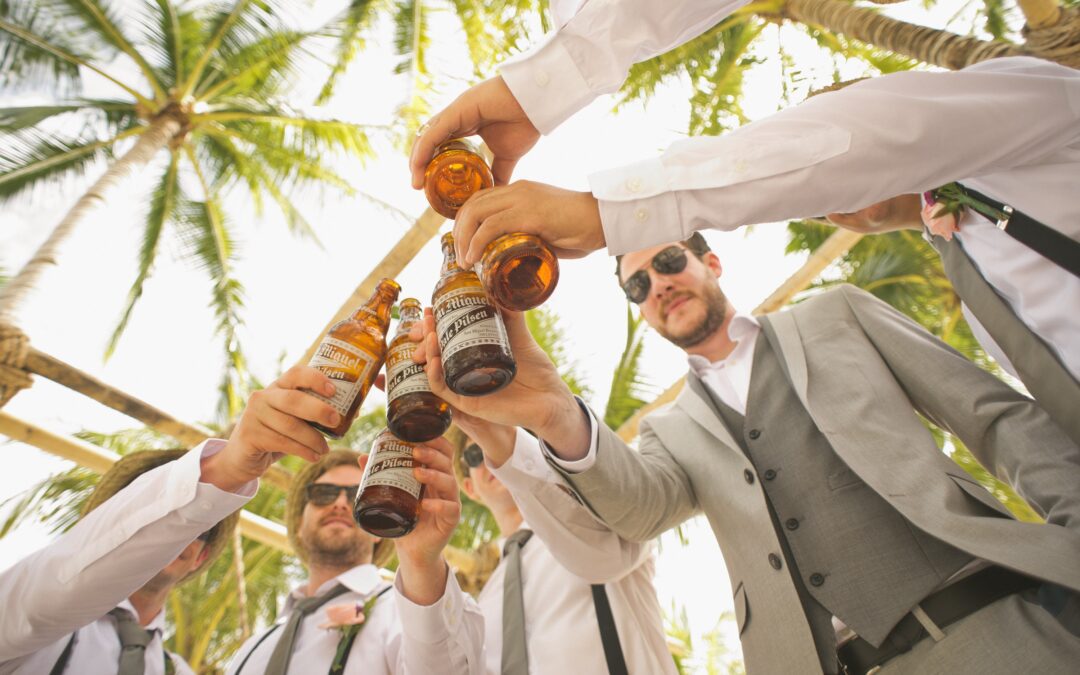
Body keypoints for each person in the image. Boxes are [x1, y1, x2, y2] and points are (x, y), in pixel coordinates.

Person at [408, 0, 1080, 445]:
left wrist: (605, 208)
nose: (830, 199)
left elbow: (873, 135)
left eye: (665, 261)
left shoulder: (1035, 98)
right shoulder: (968, 252)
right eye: (638, 284)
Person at [411, 233, 1080, 673]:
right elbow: (637, 512)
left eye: (668, 261)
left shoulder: (836, 314)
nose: (658, 284)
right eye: (637, 285)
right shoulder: (669, 431)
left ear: (712, 261)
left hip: (993, 631)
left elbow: (992, 417)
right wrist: (553, 406)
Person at [0, 363, 349, 673]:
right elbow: (55, 585)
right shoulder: (29, 627)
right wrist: (221, 470)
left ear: (203, 556)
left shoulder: (177, 669)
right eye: (183, 516)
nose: (181, 533)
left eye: (202, 527)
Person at [225, 440, 483, 674]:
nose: (339, 503)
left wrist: (421, 562)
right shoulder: (252, 648)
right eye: (322, 494)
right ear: (299, 525)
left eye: (356, 496)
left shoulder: (406, 611)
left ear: (377, 531)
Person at [447, 426, 675, 674]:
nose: (489, 449)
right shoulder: (485, 600)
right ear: (469, 488)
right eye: (474, 455)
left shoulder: (596, 522)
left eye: (498, 433)